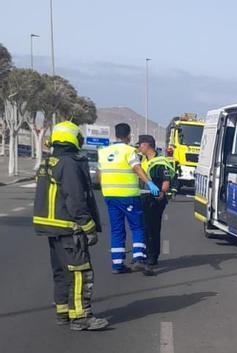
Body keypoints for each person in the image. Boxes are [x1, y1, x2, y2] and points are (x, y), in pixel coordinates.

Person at [33, 122, 108, 330]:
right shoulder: (69, 163)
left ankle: (63, 311)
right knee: (79, 271)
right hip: (68, 226)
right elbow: (75, 198)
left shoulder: (50, 161)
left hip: (51, 227)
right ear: (74, 138)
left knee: (61, 271)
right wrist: (88, 226)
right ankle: (81, 316)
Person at [97, 123, 159, 274]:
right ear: (129, 135)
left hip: (110, 196)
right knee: (137, 227)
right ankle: (138, 259)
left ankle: (117, 265)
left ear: (116, 134)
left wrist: (105, 188)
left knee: (117, 230)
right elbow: (137, 168)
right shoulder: (130, 151)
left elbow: (99, 174)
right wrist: (149, 183)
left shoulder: (104, 152)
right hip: (128, 196)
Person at [136, 135, 175, 275]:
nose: (139, 147)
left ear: (147, 145)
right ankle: (147, 253)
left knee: (152, 228)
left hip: (155, 200)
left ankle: (152, 257)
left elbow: (165, 182)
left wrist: (161, 193)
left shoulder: (159, 162)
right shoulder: (143, 160)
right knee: (145, 228)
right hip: (144, 198)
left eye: (140, 145)